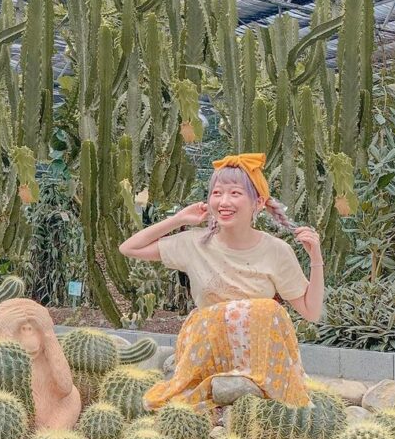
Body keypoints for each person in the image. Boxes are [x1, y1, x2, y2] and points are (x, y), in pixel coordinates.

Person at [118, 153, 324, 411]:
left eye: (235, 193)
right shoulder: (195, 242)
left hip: (256, 356)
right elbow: (129, 248)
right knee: (264, 308)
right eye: (217, 193)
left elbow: (311, 311)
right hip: (207, 352)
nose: (224, 201)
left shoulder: (277, 251)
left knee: (269, 310)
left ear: (258, 202)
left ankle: (263, 391)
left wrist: (316, 258)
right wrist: (179, 219)